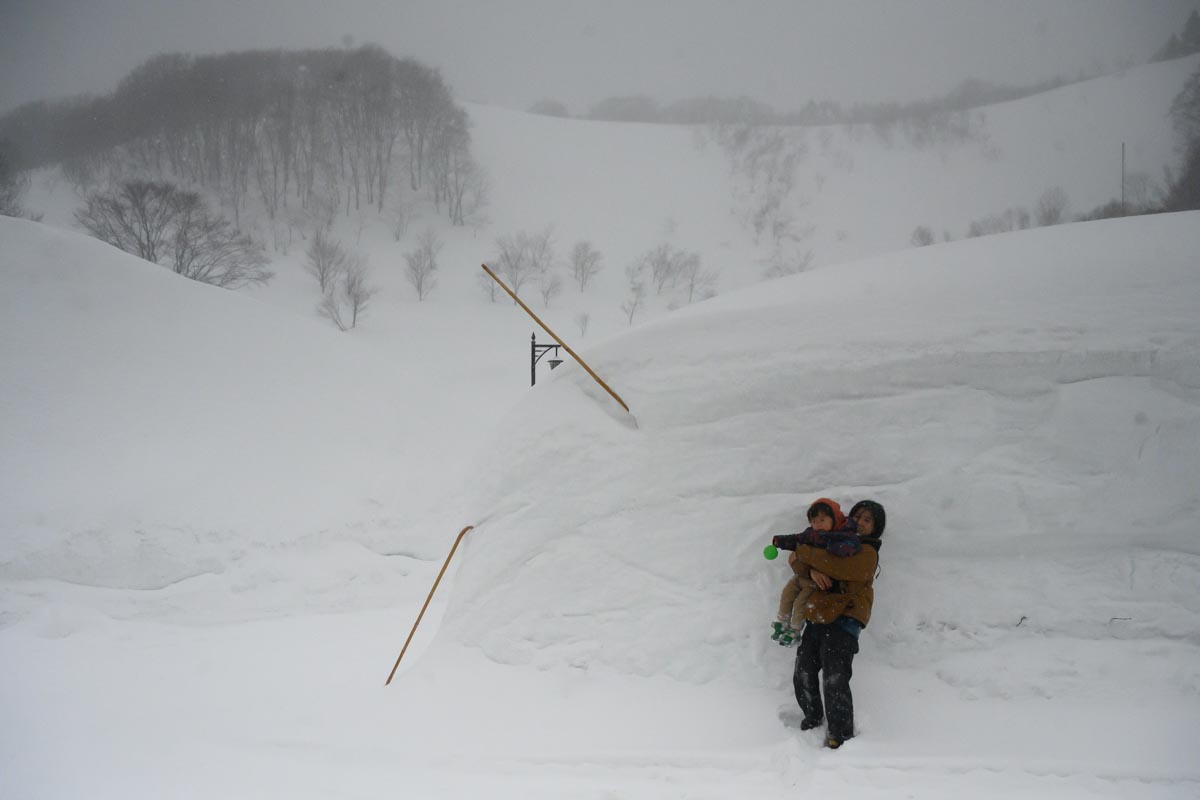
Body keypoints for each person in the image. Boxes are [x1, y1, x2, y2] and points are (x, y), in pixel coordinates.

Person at [791, 499, 886, 750]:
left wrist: (807, 556)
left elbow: (837, 566)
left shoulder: (868, 553)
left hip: (845, 621)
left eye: (868, 520)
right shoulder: (829, 541)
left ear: (876, 528)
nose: (861, 522)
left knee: (835, 678)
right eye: (858, 516)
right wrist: (811, 571)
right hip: (819, 615)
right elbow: (795, 559)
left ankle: (840, 734)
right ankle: (812, 718)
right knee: (803, 671)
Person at [769, 498, 859, 646]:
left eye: (822, 520)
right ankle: (782, 621)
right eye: (814, 521)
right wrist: (780, 541)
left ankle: (795, 630)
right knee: (787, 593)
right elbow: (796, 539)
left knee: (800, 602)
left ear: (835, 518)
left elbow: (851, 546)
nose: (818, 525)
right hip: (803, 574)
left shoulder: (843, 535)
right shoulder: (812, 534)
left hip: (815, 582)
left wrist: (829, 544)